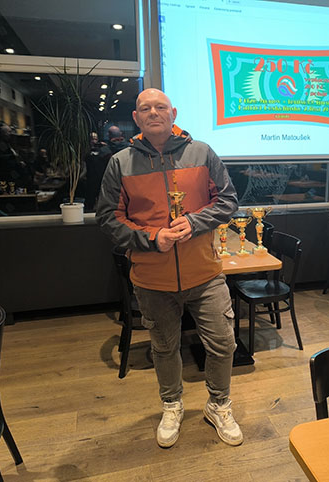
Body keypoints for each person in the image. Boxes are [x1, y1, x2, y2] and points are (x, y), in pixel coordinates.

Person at [96, 88, 241, 448]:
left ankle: (219, 404)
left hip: (205, 273)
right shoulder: (120, 163)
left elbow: (228, 201)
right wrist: (151, 238)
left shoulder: (202, 153)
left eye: (160, 107)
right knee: (163, 348)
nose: (153, 112)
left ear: (173, 113)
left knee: (223, 344)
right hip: (152, 279)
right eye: (145, 108)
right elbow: (108, 217)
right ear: (136, 118)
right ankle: (172, 404)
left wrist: (194, 222)